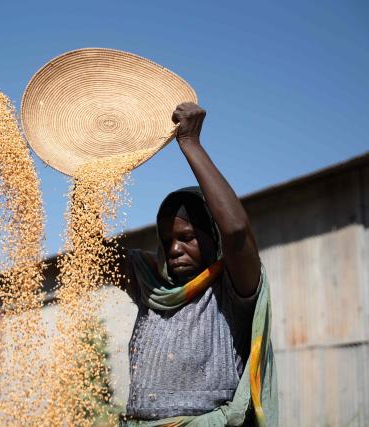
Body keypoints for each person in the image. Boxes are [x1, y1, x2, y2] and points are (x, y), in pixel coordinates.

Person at [116, 102, 277, 426]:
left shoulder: (230, 289)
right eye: (166, 241)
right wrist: (88, 167)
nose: (174, 249)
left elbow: (236, 231)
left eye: (187, 238)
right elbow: (89, 251)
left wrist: (190, 143)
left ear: (212, 237)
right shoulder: (152, 284)